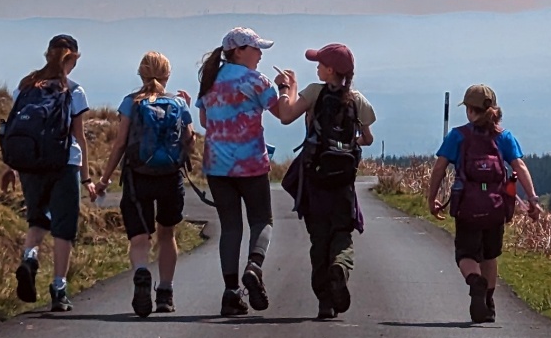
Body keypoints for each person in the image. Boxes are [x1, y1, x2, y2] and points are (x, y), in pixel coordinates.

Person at [197, 27, 310, 317]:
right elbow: (286, 115)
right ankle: (254, 266)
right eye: (256, 48)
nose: (260, 54)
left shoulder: (210, 79)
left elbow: (205, 119)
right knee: (262, 221)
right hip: (250, 163)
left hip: (216, 164)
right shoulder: (256, 81)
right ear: (239, 51)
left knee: (230, 227)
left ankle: (231, 293)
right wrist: (288, 87)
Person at [89, 52, 194, 318]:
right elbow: (190, 142)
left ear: (141, 74)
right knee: (167, 234)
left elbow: (121, 144)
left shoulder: (130, 103)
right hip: (170, 176)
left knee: (139, 237)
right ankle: (166, 294)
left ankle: (142, 273)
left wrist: (104, 180)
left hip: (138, 176)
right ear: (168, 75)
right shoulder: (179, 104)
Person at [427, 84, 543, 324]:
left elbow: (439, 167)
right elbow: (519, 166)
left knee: (466, 254)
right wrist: (532, 198)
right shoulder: (504, 137)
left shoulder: (458, 136)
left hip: (467, 207)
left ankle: (474, 281)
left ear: (470, 110)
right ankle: (488, 305)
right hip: (496, 207)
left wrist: (432, 197)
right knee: (490, 256)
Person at [0, 34, 89, 313]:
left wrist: (10, 166)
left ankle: (29, 258)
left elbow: (16, 128)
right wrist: (87, 178)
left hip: (29, 163)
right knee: (64, 228)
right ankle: (59, 289)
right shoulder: (73, 90)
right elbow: (80, 137)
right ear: (72, 58)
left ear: (47, 54)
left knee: (37, 218)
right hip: (64, 164)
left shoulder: (25, 87)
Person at [289, 44, 376, 320]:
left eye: (319, 64)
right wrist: (351, 144)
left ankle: (324, 302)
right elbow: (368, 138)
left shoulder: (315, 93)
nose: (316, 68)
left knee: (319, 241)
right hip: (344, 186)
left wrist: (287, 88)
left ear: (329, 70)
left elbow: (288, 113)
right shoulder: (357, 99)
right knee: (342, 236)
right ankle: (340, 266)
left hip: (316, 181)